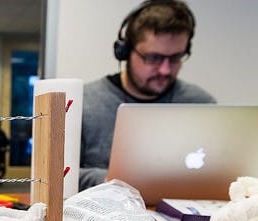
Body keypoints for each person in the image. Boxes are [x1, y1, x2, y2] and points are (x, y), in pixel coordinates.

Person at [79, 0, 216, 191]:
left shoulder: (201, 105)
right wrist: (112, 180)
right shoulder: (84, 104)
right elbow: (57, 175)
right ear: (125, 51)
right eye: (153, 58)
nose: (165, 70)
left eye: (175, 58)